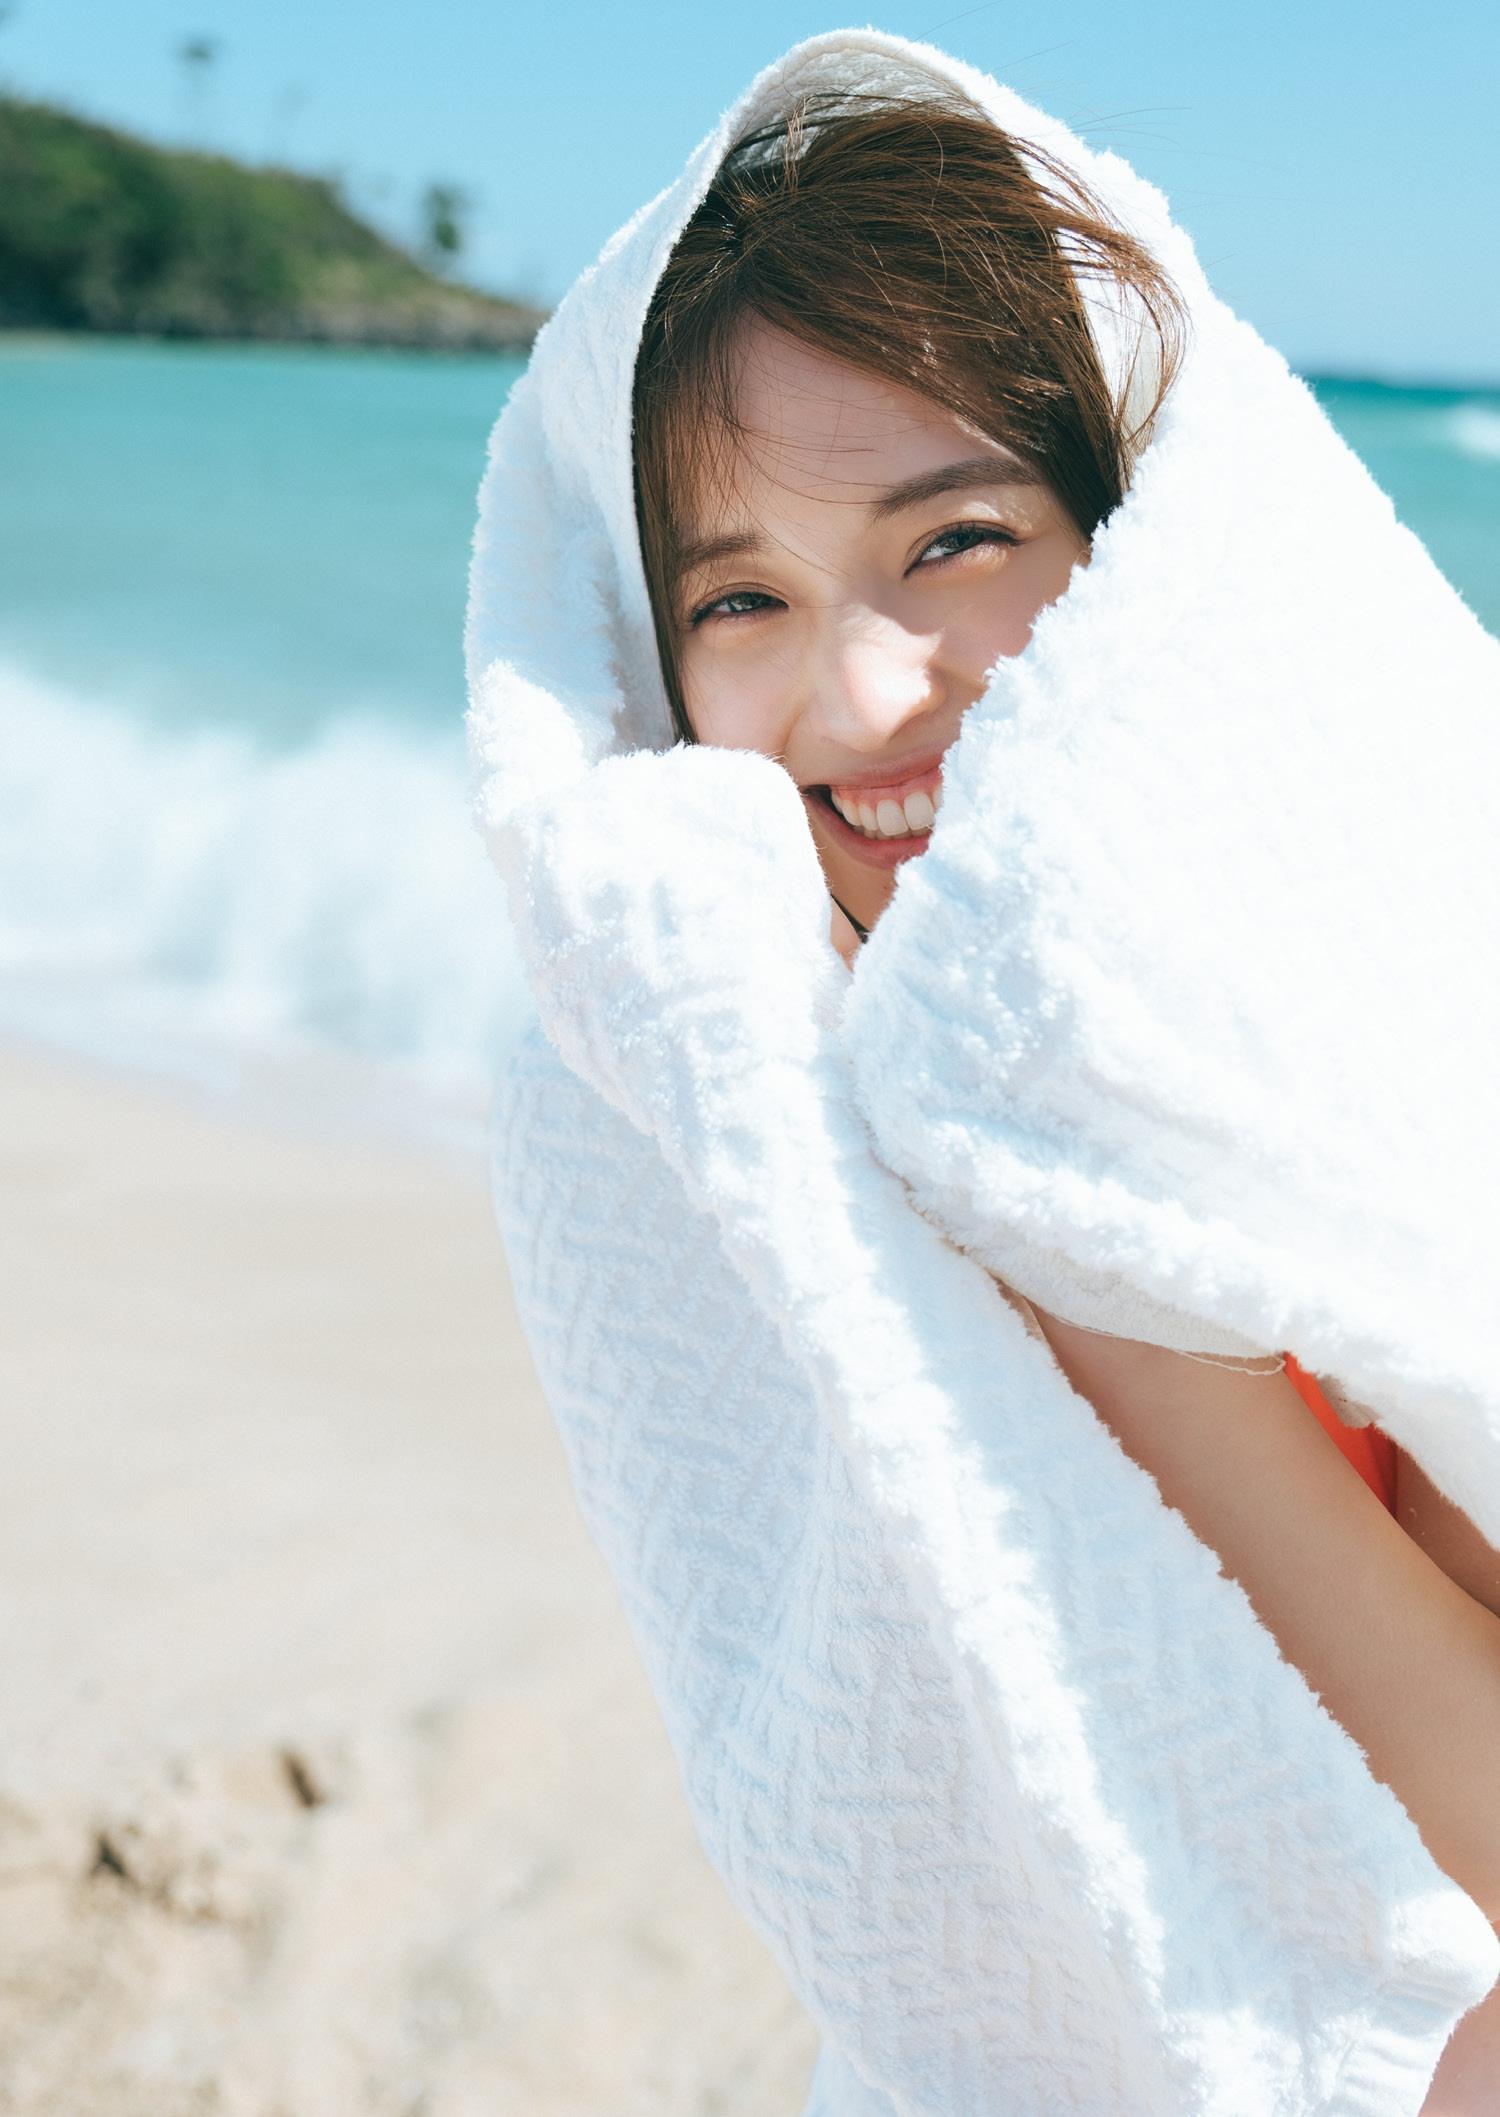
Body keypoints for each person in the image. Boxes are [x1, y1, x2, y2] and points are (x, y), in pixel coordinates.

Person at [467, 33, 1500, 2113]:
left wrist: (1072, 1249)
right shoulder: (720, 1098)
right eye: (741, 597)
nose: (859, 695)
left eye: (953, 543)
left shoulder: (1399, 1000)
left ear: (1145, 551)